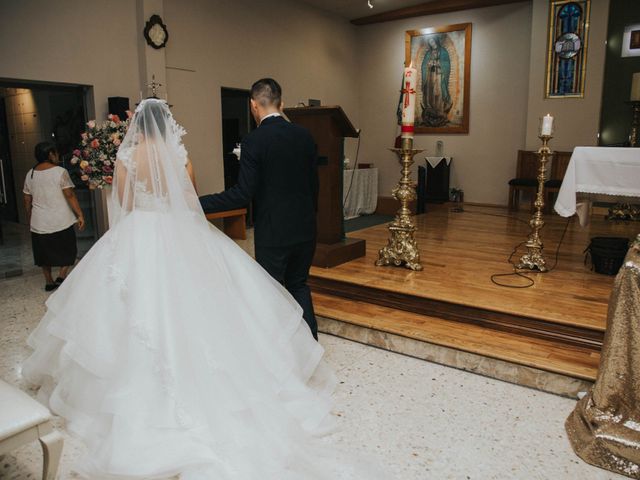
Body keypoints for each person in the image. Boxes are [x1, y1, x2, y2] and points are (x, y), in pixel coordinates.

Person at [22, 99, 385, 479]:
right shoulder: (181, 157)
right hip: (178, 233)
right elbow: (189, 204)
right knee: (199, 309)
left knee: (132, 312)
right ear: (167, 126)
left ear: (138, 127)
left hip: (139, 233)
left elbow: (125, 205)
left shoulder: (127, 158)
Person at [200, 78, 320, 340]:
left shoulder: (254, 140)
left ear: (253, 105)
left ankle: (279, 353)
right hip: (306, 227)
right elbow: (314, 187)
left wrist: (197, 203)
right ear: (282, 103)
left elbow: (241, 195)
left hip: (274, 231)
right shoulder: (305, 136)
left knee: (271, 291)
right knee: (299, 285)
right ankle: (311, 345)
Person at [23, 141, 85, 291]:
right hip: (61, 219)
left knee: (43, 253)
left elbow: (27, 199)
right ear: (50, 154)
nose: (57, 156)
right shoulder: (59, 172)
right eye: (56, 153)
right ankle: (62, 275)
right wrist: (80, 215)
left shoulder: (30, 174)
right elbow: (70, 195)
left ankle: (49, 281)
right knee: (69, 250)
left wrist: (30, 216)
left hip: (40, 222)